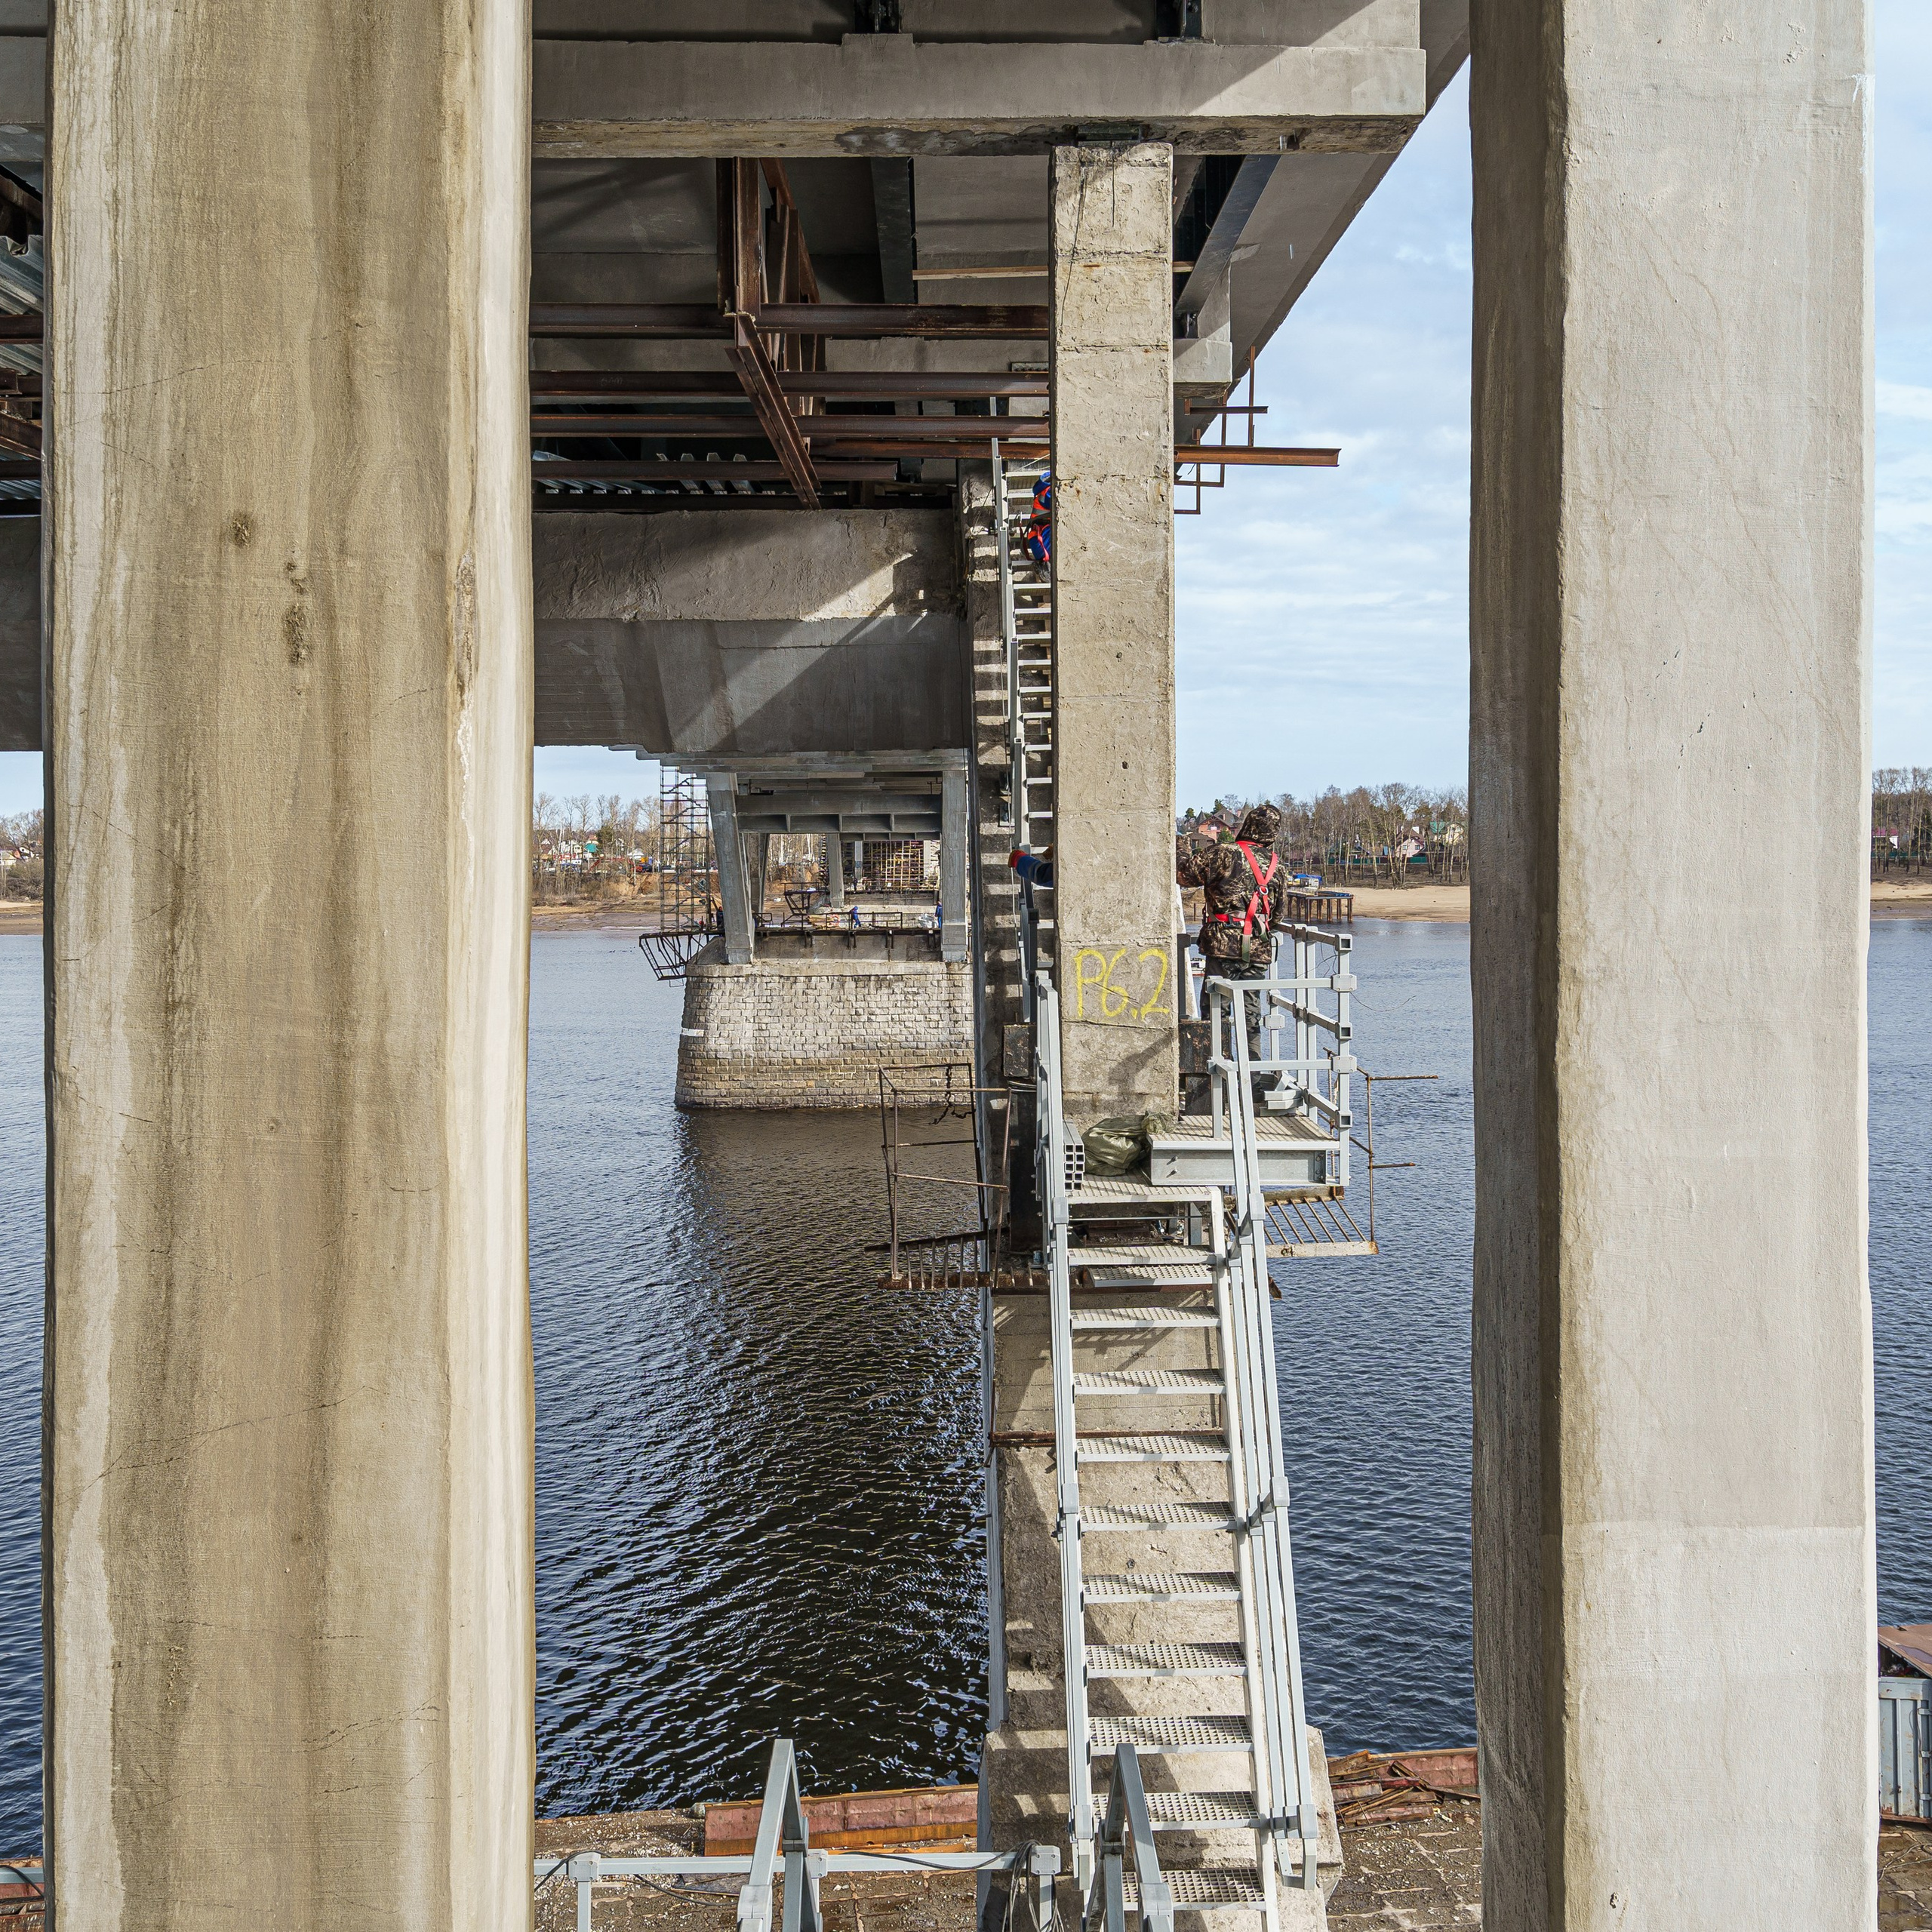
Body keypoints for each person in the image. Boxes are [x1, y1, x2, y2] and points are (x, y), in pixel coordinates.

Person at [1176, 802, 1291, 1057]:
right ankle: (1255, 1080)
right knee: (1251, 1013)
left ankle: (1217, 1075)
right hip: (1257, 950)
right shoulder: (1277, 867)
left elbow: (1184, 876)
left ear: (1248, 826)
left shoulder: (1224, 853)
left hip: (1223, 946)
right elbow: (1278, 916)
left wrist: (1181, 848)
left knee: (1217, 1011)